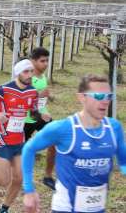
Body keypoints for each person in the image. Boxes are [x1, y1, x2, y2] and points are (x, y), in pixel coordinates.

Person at [22, 74, 126, 213]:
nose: (105, 102)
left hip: (98, 208)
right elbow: (29, 148)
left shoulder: (114, 128)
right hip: (65, 208)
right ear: (81, 97)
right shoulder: (63, 128)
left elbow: (123, 162)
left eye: (108, 96)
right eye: (99, 96)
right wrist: (29, 190)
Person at [0, 59, 48, 213]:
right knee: (3, 180)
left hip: (19, 139)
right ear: (18, 73)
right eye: (25, 72)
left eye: (31, 71)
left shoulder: (33, 92)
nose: (29, 75)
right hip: (2, 138)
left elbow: (33, 114)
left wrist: (41, 116)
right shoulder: (4, 89)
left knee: (19, 179)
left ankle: (4, 209)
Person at [24, 47, 57, 190]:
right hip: (25, 120)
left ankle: (48, 176)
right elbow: (24, 101)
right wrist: (40, 96)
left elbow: (41, 99)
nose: (46, 64)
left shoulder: (42, 77)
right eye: (42, 61)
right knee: (17, 152)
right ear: (33, 61)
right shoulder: (26, 79)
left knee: (55, 141)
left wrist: (44, 99)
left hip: (41, 116)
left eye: (47, 61)